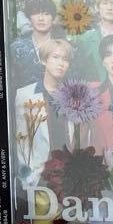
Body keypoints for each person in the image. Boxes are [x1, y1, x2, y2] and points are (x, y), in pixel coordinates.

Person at [13, 40, 75, 185]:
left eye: (65, 59)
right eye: (55, 57)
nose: (60, 63)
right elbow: (21, 142)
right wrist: (29, 179)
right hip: (40, 177)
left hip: (70, 175)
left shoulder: (73, 96)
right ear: (44, 60)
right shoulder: (24, 95)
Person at [11, 0, 64, 86]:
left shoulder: (65, 48)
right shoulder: (16, 49)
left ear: (53, 17)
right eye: (35, 13)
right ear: (29, 17)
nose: (41, 18)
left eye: (46, 14)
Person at [73, 0, 113, 82]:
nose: (109, 8)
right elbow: (80, 72)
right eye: (105, 3)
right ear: (97, 7)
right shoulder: (85, 39)